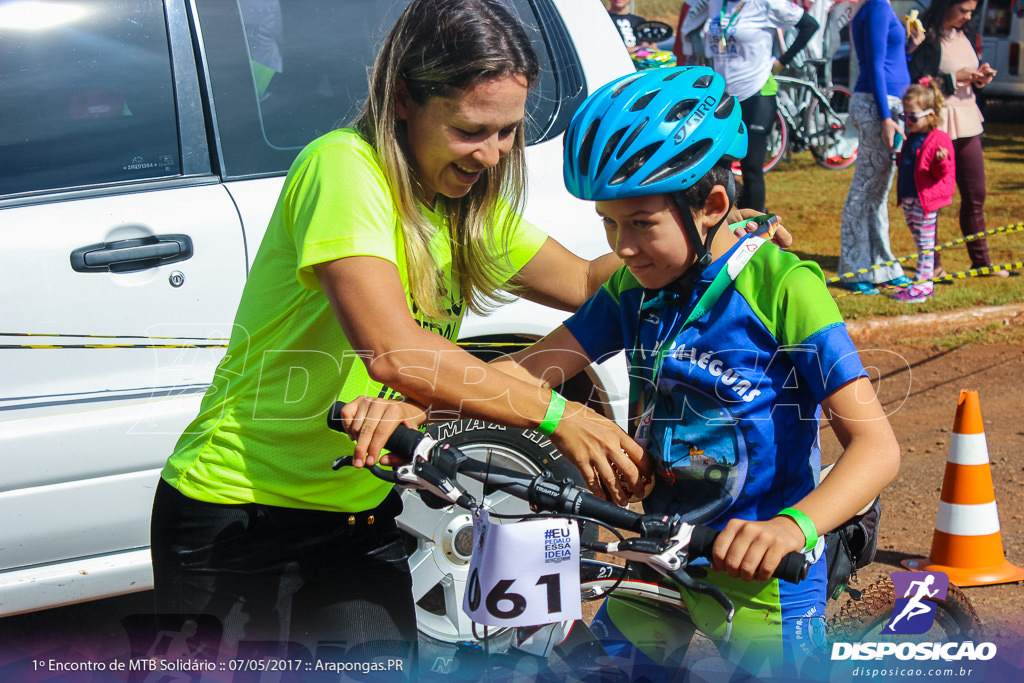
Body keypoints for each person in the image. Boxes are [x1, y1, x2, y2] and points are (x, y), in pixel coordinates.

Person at [345, 66, 900, 678]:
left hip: (762, 572)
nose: (623, 246)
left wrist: (794, 528)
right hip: (654, 550)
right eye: (610, 224)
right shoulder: (633, 290)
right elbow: (526, 374)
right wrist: (416, 412)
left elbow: (876, 447)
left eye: (640, 223)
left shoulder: (785, 289)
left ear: (712, 206)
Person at [150, 0, 651, 665]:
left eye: (508, 132)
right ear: (406, 99)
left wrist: (708, 242)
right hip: (240, 516)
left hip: (359, 515)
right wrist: (556, 412)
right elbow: (393, 351)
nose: (494, 154)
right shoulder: (344, 169)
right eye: (473, 130)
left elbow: (593, 280)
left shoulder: (462, 206)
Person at [908, 0, 1012, 277]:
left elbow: (966, 72)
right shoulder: (926, 37)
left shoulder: (964, 33)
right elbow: (919, 82)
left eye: (971, 11)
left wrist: (979, 78)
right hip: (939, 124)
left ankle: (981, 263)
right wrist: (955, 78)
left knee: (975, 194)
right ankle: (934, 265)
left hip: (967, 120)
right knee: (934, 197)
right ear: (946, 5)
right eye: (963, 10)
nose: (968, 16)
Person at [687, 0, 818, 212]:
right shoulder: (715, 4)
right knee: (720, 168)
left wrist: (783, 61)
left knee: (751, 169)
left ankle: (756, 231)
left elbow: (809, 25)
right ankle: (725, 228)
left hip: (756, 92)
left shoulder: (766, 3)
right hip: (724, 96)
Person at [837, 0, 912, 295]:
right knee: (865, 189)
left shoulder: (873, 7)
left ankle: (881, 265)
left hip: (882, 103)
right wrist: (885, 118)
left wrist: (911, 46)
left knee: (877, 192)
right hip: (879, 106)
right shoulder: (877, 6)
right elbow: (876, 66)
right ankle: (856, 268)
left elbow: (883, 59)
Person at [892, 80, 955, 303]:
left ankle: (922, 287)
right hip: (910, 198)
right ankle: (922, 283)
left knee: (926, 246)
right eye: (905, 116)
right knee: (920, 243)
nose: (908, 120)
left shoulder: (938, 139)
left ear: (930, 115)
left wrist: (941, 161)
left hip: (925, 200)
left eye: (913, 116)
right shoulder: (911, 137)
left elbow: (943, 172)